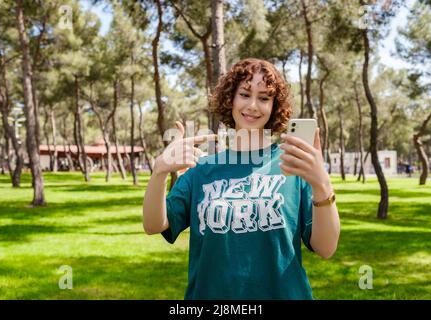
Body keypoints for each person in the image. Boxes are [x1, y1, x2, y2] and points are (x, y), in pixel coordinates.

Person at [142, 58, 340, 300]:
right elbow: (153, 225)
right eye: (245, 94)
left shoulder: (294, 166)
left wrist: (322, 184)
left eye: (264, 98)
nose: (253, 106)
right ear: (231, 99)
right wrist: (160, 171)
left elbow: (326, 248)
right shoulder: (202, 169)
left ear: (274, 106)